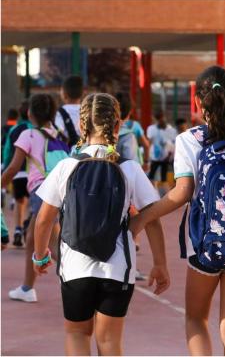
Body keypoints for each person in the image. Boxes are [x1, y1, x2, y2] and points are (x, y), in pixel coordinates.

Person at [129, 66, 225, 355]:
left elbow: (181, 193)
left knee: (196, 318)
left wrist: (142, 218)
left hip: (204, 242)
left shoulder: (189, 140)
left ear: (198, 102)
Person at [31, 93, 169, 355]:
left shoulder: (66, 167)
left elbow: (43, 220)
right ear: (118, 125)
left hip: (74, 269)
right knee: (109, 341)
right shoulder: (129, 168)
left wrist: (40, 257)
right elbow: (152, 217)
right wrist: (160, 264)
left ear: (82, 126)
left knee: (77, 334)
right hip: (117, 269)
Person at [1, 94, 68, 302]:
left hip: (43, 192)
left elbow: (13, 167)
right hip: (60, 189)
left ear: (30, 113)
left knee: (54, 244)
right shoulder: (59, 134)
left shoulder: (28, 135)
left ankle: (78, 279)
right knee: (32, 240)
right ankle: (27, 288)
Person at [2, 102, 32, 247]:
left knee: (19, 201)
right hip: (34, 174)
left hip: (18, 172)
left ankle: (18, 230)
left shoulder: (15, 129)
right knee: (32, 204)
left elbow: (8, 151)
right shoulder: (38, 129)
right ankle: (29, 225)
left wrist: (6, 168)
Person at [146, 109, 178, 194]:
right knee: (158, 177)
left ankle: (157, 195)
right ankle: (166, 195)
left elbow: (149, 143)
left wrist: (147, 158)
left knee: (153, 177)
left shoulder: (152, 129)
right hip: (162, 157)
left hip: (160, 157)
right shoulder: (171, 130)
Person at [54, 76, 84, 148]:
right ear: (82, 94)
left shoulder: (60, 113)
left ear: (64, 94)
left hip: (68, 152)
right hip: (86, 151)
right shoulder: (87, 111)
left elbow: (58, 133)